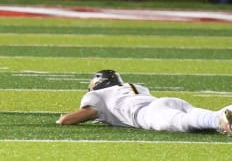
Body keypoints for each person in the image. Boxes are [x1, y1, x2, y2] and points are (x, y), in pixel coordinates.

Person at [57, 69, 232, 136]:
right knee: (196, 115)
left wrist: (62, 119)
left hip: (147, 113)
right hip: (164, 101)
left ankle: (219, 120)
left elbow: (69, 120)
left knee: (184, 123)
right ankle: (223, 116)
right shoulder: (131, 87)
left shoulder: (99, 95)